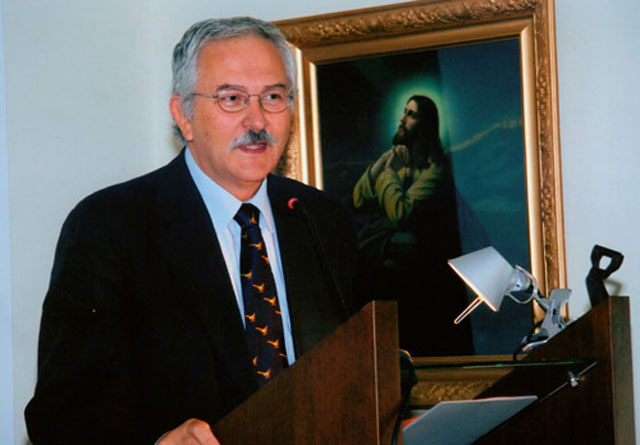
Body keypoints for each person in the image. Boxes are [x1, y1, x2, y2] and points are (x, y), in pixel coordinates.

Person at [25, 17, 360, 444]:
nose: (257, 120)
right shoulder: (111, 226)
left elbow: (358, 367)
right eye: (232, 99)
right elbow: (60, 415)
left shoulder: (321, 218)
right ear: (183, 115)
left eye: (274, 97)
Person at [351, 95, 473, 356]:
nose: (402, 119)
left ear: (426, 124)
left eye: (411, 114)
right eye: (404, 112)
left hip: (423, 287)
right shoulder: (398, 161)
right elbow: (358, 198)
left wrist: (387, 174)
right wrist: (380, 167)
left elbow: (401, 213)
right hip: (387, 285)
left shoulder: (436, 172)